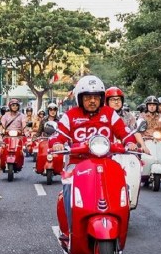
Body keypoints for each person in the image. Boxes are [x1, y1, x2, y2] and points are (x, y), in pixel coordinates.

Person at [50, 75, 138, 239]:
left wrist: (131, 143)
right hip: (77, 163)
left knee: (123, 187)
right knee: (68, 186)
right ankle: (70, 231)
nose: (92, 101)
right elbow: (57, 135)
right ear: (80, 98)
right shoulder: (70, 115)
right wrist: (57, 144)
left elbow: (124, 132)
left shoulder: (109, 114)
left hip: (106, 162)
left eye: (96, 97)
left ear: (102, 98)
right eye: (88, 97)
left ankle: (120, 230)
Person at [105, 87, 149, 153]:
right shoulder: (103, 116)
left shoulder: (129, 116)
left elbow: (135, 132)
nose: (116, 102)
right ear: (107, 101)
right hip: (106, 150)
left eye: (119, 99)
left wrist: (144, 146)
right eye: (113, 100)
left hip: (127, 150)